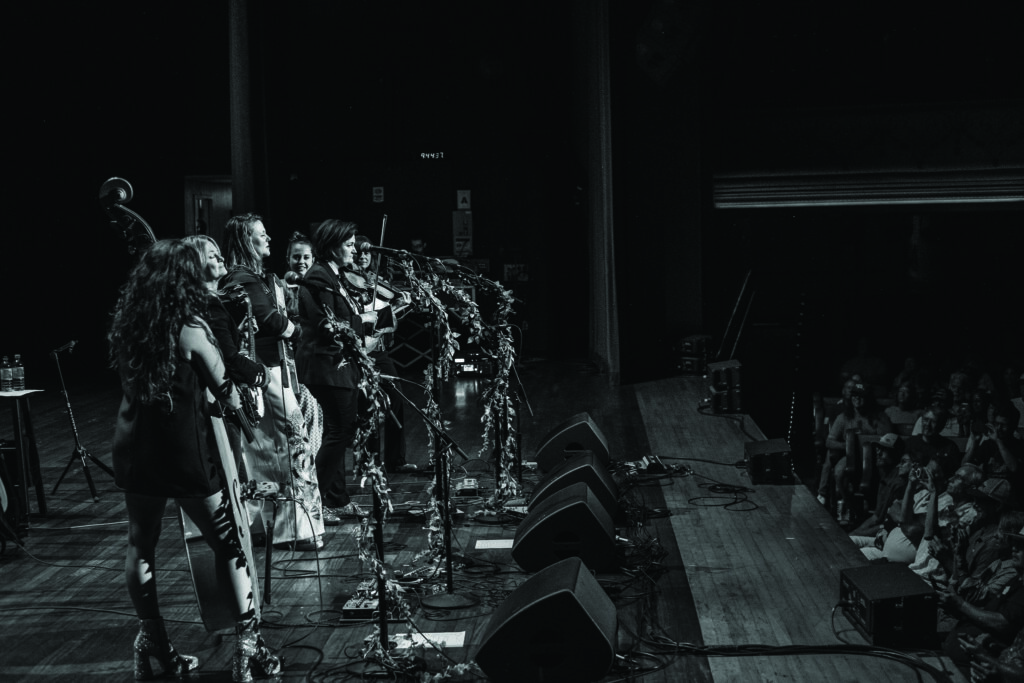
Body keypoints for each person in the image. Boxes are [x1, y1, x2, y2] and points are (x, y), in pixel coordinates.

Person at [109, 240, 280, 681]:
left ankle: (153, 642)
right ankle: (248, 646)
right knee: (228, 545)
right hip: (184, 452)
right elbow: (228, 394)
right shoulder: (191, 330)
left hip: (135, 448)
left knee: (139, 545)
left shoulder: (130, 326)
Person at [222, 214, 327, 550]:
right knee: (291, 442)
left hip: (269, 369)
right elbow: (270, 320)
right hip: (265, 370)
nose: (268, 239)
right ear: (244, 241)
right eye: (261, 234)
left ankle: (269, 528)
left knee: (267, 449)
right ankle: (297, 529)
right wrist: (296, 330)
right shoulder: (242, 276)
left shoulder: (256, 276)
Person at [294, 219, 374, 519]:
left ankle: (336, 499)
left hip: (338, 365)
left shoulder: (333, 274)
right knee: (341, 431)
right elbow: (328, 326)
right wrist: (363, 321)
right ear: (332, 245)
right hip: (326, 365)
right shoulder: (319, 277)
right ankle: (315, 502)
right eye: (350, 245)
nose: (354, 251)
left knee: (339, 431)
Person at [353, 236, 417, 473]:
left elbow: (388, 313)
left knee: (396, 400)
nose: (362, 257)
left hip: (379, 351)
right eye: (358, 252)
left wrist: (400, 306)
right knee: (366, 406)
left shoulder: (378, 283)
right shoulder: (346, 284)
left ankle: (395, 461)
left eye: (367, 253)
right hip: (359, 352)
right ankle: (368, 462)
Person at [822, 382, 893, 525]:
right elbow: (829, 442)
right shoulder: (844, 417)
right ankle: (848, 508)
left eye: (861, 396)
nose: (857, 399)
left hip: (874, 458)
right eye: (854, 396)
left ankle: (879, 511)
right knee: (839, 473)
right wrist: (849, 446)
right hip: (850, 457)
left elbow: (888, 439)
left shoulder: (880, 417)